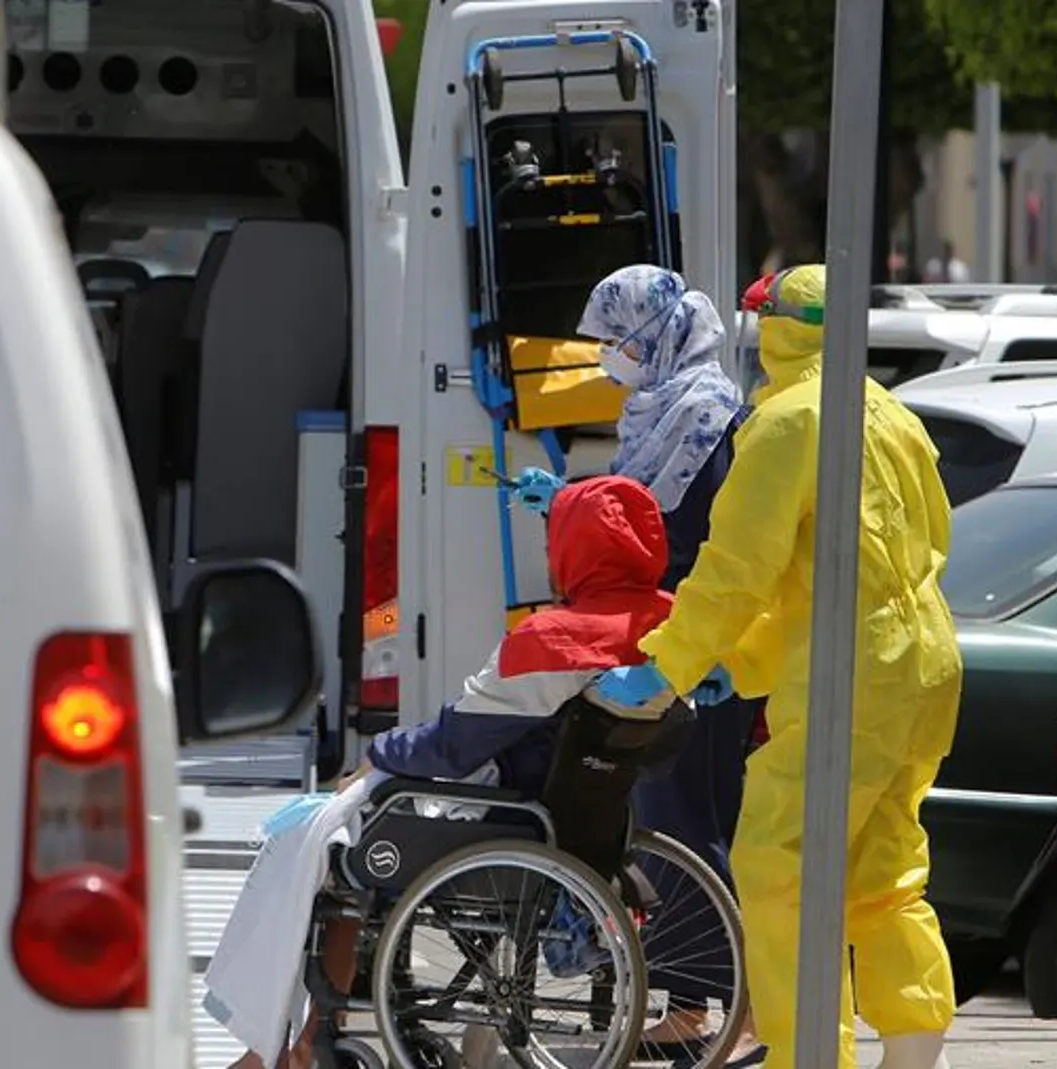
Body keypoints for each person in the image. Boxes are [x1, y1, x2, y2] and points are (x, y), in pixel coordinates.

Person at [588, 263, 965, 1069]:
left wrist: (669, 666)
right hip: (922, 666)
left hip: (851, 678)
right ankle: (913, 1055)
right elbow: (875, 560)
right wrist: (745, 659)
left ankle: (807, 1058)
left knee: (778, 865)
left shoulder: (791, 422)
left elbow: (736, 569)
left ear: (778, 331)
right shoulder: (893, 415)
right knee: (885, 874)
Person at [229, 475, 726, 1069]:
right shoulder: (674, 630)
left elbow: (453, 744)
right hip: (591, 828)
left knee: (340, 853)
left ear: (573, 549)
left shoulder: (552, 638)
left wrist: (377, 756)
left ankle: (294, 1046)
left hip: (508, 826)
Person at [512, 263, 765, 1062]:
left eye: (615, 340)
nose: (606, 356)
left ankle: (720, 1009)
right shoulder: (659, 409)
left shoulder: (705, 413)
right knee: (679, 811)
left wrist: (580, 513)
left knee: (693, 814)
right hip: (670, 637)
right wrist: (567, 499)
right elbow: (637, 506)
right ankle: (713, 1004)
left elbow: (676, 535)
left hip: (695, 640)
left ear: (656, 332)